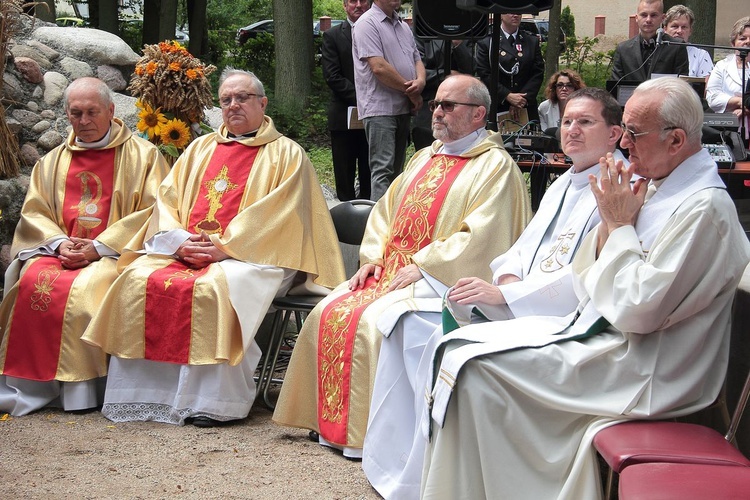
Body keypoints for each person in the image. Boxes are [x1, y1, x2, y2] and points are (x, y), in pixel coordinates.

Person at [420, 77, 750, 499]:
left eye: (633, 133)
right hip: (611, 341)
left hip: (648, 369)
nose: (624, 144)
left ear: (676, 140)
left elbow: (638, 310)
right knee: (458, 348)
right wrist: (610, 231)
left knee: (476, 370)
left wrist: (614, 226)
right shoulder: (659, 185)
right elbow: (588, 274)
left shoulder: (704, 208)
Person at [362, 87, 626, 499]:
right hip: (521, 302)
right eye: (569, 121)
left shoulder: (617, 189)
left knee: (425, 333)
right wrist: (504, 283)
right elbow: (520, 248)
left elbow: (587, 276)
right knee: (404, 321)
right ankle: (401, 463)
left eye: (586, 122)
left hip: (556, 317)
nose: (572, 130)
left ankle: (433, 474)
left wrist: (507, 297)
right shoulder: (565, 182)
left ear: (615, 135)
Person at [273, 74, 532, 457]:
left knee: (370, 322)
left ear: (479, 114)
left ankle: (365, 435)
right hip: (392, 269)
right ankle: (328, 425)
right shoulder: (425, 156)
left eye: (448, 105)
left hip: (442, 278)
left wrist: (426, 267)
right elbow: (385, 213)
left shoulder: (496, 168)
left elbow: (483, 235)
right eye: (436, 105)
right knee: (328, 310)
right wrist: (374, 258)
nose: (438, 112)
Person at [81, 69, 345, 427]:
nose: (233, 105)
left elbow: (279, 217)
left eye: (242, 98)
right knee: (136, 279)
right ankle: (146, 396)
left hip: (260, 256)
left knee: (214, 288)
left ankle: (215, 403)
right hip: (191, 251)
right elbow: (167, 201)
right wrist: (180, 241)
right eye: (226, 100)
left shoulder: (287, 154)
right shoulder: (199, 149)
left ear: (262, 103)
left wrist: (225, 248)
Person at [0, 77, 170, 416]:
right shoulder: (53, 162)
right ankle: (31, 387)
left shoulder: (143, 157)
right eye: (76, 113)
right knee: (31, 284)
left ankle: (82, 393)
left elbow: (157, 210)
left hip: (114, 256)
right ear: (67, 114)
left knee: (84, 295)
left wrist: (101, 246)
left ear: (110, 111)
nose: (84, 121)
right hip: (61, 254)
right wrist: (60, 244)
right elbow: (35, 211)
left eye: (92, 112)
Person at [352, 0, 426, 201]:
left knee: (397, 171)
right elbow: (379, 68)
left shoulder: (402, 25)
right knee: (383, 169)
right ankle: (379, 227)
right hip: (380, 109)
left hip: (402, 107)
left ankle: (394, 222)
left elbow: (417, 59)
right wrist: (411, 91)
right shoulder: (366, 23)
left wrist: (420, 81)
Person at [322, 0, 371, 201]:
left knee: (370, 172)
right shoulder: (332, 36)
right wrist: (366, 99)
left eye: (363, 0)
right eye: (353, 1)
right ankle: (345, 224)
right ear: (344, 5)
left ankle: (369, 219)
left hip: (375, 117)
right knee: (344, 174)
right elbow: (332, 76)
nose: (358, 5)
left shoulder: (377, 32)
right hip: (344, 117)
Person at [476, 13, 545, 123]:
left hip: (525, 105)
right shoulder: (487, 42)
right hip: (498, 104)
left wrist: (522, 99)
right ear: (501, 15)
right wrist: (507, 95)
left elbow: (538, 72)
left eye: (518, 13)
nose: (515, 15)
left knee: (528, 138)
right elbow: (484, 73)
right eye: (510, 12)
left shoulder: (531, 41)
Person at [411, 38, 475, 151]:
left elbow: (470, 69)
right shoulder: (419, 36)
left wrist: (458, 45)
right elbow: (416, 73)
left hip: (457, 107)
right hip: (428, 106)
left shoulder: (464, 35)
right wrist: (446, 76)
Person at [611, 0, 689, 82]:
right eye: (644, 15)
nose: (648, 20)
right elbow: (615, 86)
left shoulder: (676, 47)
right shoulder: (623, 49)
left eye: (653, 15)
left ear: (663, 18)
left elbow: (682, 86)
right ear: (637, 18)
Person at [706, 16, 750, 144]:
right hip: (728, 129)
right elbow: (713, 98)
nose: (748, 42)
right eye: (742, 38)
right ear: (733, 43)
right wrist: (742, 102)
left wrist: (745, 109)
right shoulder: (721, 66)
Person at [664, 4, 714, 78]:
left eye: (684, 27)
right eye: (675, 26)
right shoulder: (657, 51)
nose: (679, 31)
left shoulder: (701, 55)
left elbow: (708, 86)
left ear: (690, 31)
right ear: (665, 29)